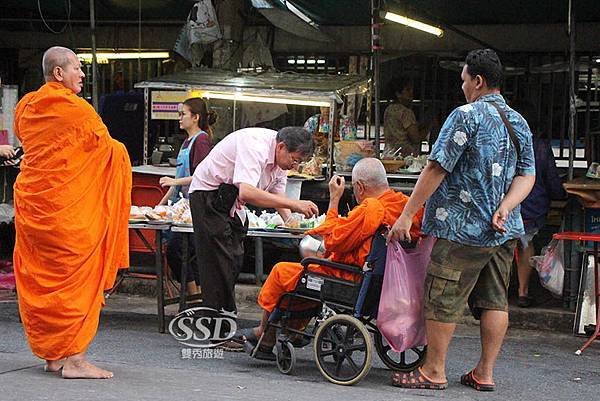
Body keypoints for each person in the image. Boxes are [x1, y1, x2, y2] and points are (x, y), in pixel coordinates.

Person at [388, 49, 535, 391]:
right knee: (494, 300)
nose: (463, 86)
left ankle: (433, 371)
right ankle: (484, 372)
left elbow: (436, 167)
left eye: (465, 80)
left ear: (478, 81)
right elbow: (527, 176)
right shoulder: (518, 122)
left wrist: (407, 215)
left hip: (461, 228)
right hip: (503, 229)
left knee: (442, 295)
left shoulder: (465, 116)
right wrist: (506, 207)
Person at [12, 46, 131, 379]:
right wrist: (122, 153)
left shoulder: (25, 107)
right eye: (77, 68)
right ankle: (76, 360)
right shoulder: (79, 111)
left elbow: (34, 144)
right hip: (68, 215)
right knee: (77, 281)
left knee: (42, 279)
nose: (82, 74)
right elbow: (108, 151)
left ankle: (54, 356)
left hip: (35, 209)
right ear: (58, 73)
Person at [236, 158, 424, 359]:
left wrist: (334, 201)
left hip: (350, 278)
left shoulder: (371, 208)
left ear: (359, 187)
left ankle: (265, 335)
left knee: (283, 271)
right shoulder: (405, 207)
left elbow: (335, 241)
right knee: (307, 274)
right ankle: (292, 329)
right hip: (385, 279)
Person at [161, 126, 318, 349]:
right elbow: (248, 192)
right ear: (281, 147)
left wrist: (291, 221)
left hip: (231, 203)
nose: (295, 166)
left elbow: (276, 194)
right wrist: (294, 204)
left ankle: (223, 323)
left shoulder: (281, 160)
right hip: (209, 196)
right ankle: (218, 333)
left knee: (234, 260)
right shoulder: (255, 145)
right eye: (294, 160)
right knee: (219, 264)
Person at [157, 97, 216, 297]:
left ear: (196, 117)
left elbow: (202, 177)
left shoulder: (201, 141)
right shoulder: (186, 142)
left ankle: (193, 295)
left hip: (197, 207)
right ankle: (196, 295)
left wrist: (174, 183)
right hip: (182, 208)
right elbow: (176, 180)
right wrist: (158, 207)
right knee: (186, 252)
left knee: (178, 250)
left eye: (183, 114)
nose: (179, 118)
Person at [511, 100, 567, 307]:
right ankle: (522, 292)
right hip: (531, 208)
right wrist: (561, 195)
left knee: (504, 247)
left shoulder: (502, 143)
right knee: (526, 244)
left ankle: (497, 292)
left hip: (502, 207)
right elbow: (551, 180)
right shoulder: (540, 147)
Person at [383, 76, 426, 156]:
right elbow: (416, 138)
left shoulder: (389, 109)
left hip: (389, 153)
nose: (411, 93)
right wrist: (429, 126)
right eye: (407, 90)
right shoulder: (405, 112)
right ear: (398, 94)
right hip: (404, 155)